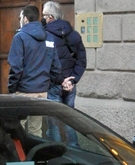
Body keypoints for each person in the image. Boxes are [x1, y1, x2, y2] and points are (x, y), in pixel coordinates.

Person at [7, 5, 62, 136]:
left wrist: (12, 88)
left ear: (25, 19)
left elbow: (16, 68)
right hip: (42, 92)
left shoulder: (20, 37)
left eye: (20, 17)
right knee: (36, 131)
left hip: (23, 91)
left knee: (17, 131)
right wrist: (46, 84)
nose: (20, 19)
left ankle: (20, 156)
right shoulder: (49, 37)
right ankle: (35, 156)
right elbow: (56, 67)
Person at [42, 1, 86, 145]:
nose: (42, 19)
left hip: (54, 85)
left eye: (44, 15)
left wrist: (62, 80)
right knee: (69, 121)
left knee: (53, 124)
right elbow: (81, 60)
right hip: (70, 85)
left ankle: (57, 154)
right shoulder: (73, 34)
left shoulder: (45, 36)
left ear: (50, 17)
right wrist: (72, 80)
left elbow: (47, 63)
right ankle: (76, 151)